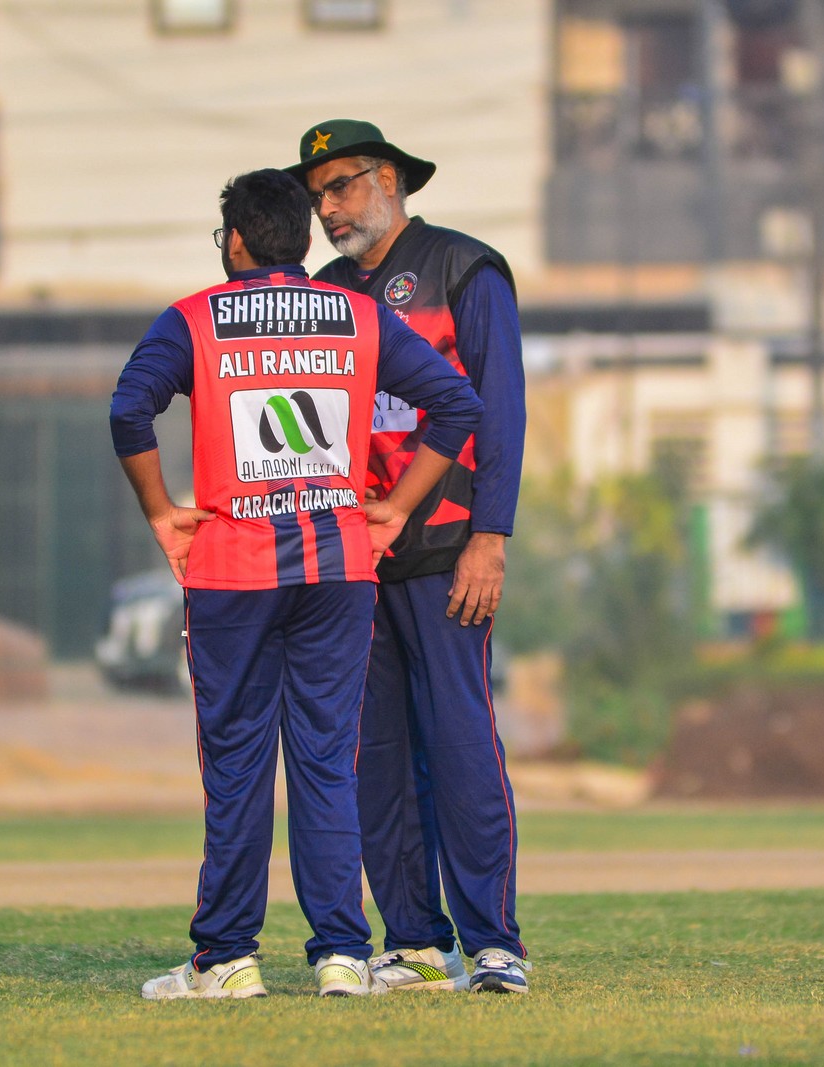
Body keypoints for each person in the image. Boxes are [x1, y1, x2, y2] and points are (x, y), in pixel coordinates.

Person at [109, 168, 483, 999]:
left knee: (238, 764)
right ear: (306, 238)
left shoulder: (194, 318)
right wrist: (396, 508)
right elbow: (457, 405)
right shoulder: (358, 315)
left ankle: (227, 958)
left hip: (233, 571)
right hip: (338, 568)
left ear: (237, 241)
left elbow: (129, 410)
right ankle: (342, 953)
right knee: (326, 761)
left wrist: (162, 513)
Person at [286, 120, 531, 993]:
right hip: (353, 560)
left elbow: (500, 408)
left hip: (447, 550)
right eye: (317, 197)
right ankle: (418, 942)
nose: (328, 209)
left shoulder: (465, 267)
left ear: (389, 179)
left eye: (342, 186)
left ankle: (495, 941)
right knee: (376, 755)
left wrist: (490, 538)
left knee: (459, 741)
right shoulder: (319, 295)